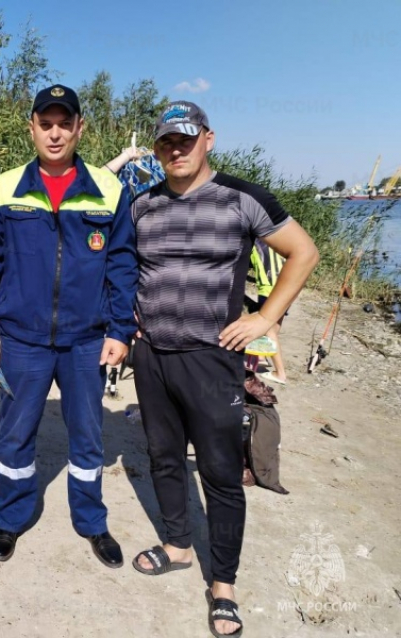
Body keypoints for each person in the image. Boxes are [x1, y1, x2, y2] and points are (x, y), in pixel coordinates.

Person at [129, 101, 318, 638]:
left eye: (185, 139)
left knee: (218, 471)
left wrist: (264, 317)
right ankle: (176, 546)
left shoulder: (242, 198)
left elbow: (303, 251)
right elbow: (125, 267)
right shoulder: (142, 203)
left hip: (213, 358)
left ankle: (224, 585)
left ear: (208, 139)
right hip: (153, 355)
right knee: (163, 457)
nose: (175, 149)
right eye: (166, 141)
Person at [0, 85, 138, 568]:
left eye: (65, 123)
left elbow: (123, 264)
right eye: (46, 123)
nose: (55, 133)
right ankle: (11, 516)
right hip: (23, 337)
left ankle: (92, 522)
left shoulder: (109, 189)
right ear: (32, 128)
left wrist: (120, 330)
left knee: (88, 434)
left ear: (81, 127)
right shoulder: (5, 188)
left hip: (88, 340)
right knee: (15, 432)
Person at [251, 239, 288, 384]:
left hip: (269, 288)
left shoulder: (253, 240)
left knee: (268, 328)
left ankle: (280, 373)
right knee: (275, 326)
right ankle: (261, 358)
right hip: (287, 285)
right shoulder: (277, 238)